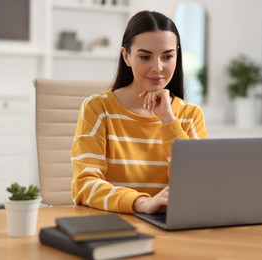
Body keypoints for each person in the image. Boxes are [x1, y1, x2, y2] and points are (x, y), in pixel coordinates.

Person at [70, 10, 207, 214]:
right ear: (126, 56)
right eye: (145, 57)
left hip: (171, 226)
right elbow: (84, 184)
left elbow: (199, 185)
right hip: (114, 223)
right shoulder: (98, 109)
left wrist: (168, 120)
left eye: (167, 56)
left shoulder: (190, 114)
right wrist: (141, 203)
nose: (158, 68)